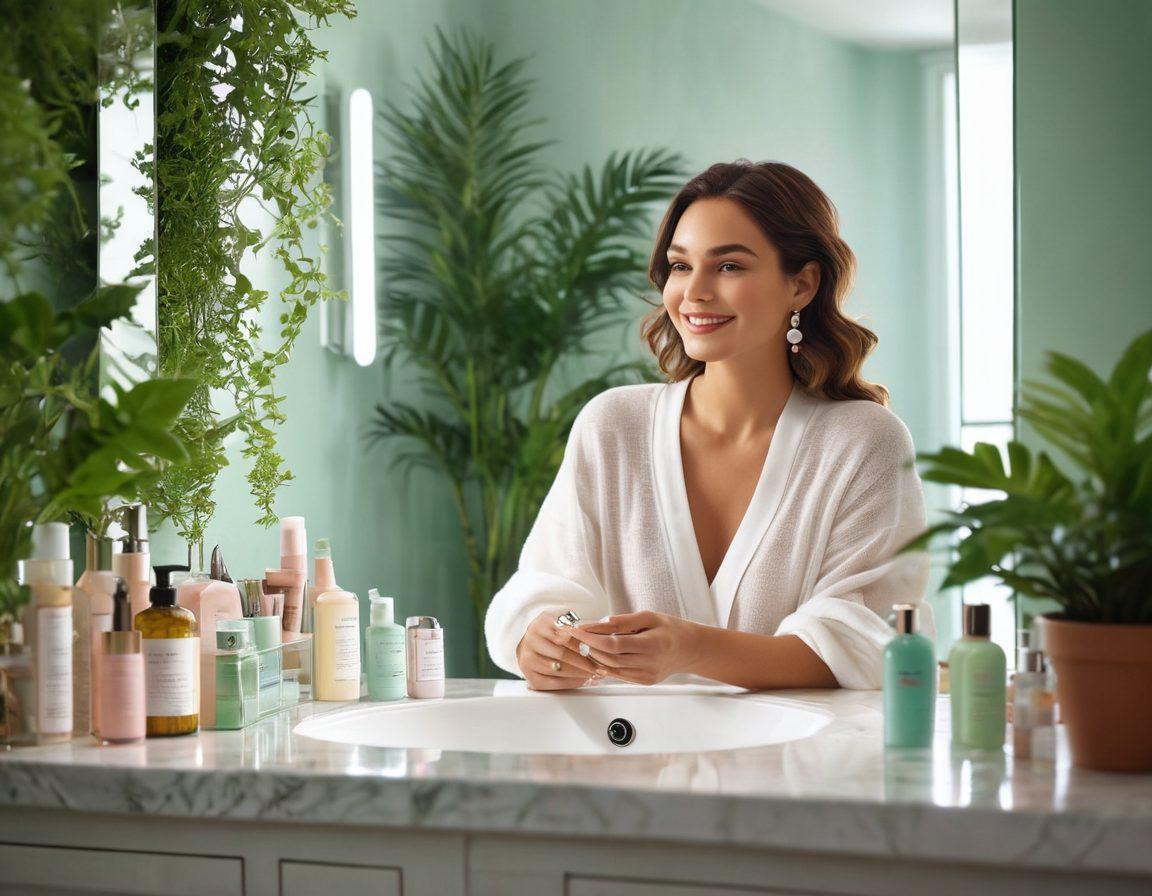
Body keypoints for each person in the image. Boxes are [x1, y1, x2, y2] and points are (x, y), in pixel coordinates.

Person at [484, 159, 932, 691]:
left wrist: (690, 647)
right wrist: (547, 637)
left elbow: (863, 641)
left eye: (728, 267)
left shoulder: (863, 442)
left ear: (803, 284)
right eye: (679, 266)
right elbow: (546, 587)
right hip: (627, 760)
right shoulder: (614, 425)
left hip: (798, 767)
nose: (693, 292)